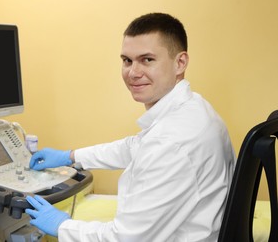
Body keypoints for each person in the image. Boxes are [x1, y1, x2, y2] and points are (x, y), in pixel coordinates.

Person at [25, 13, 236, 241]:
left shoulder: (173, 142)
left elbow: (125, 239)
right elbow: (135, 146)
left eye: (147, 60)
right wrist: (71, 156)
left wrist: (62, 226)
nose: (133, 73)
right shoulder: (193, 108)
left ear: (180, 63)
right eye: (127, 60)